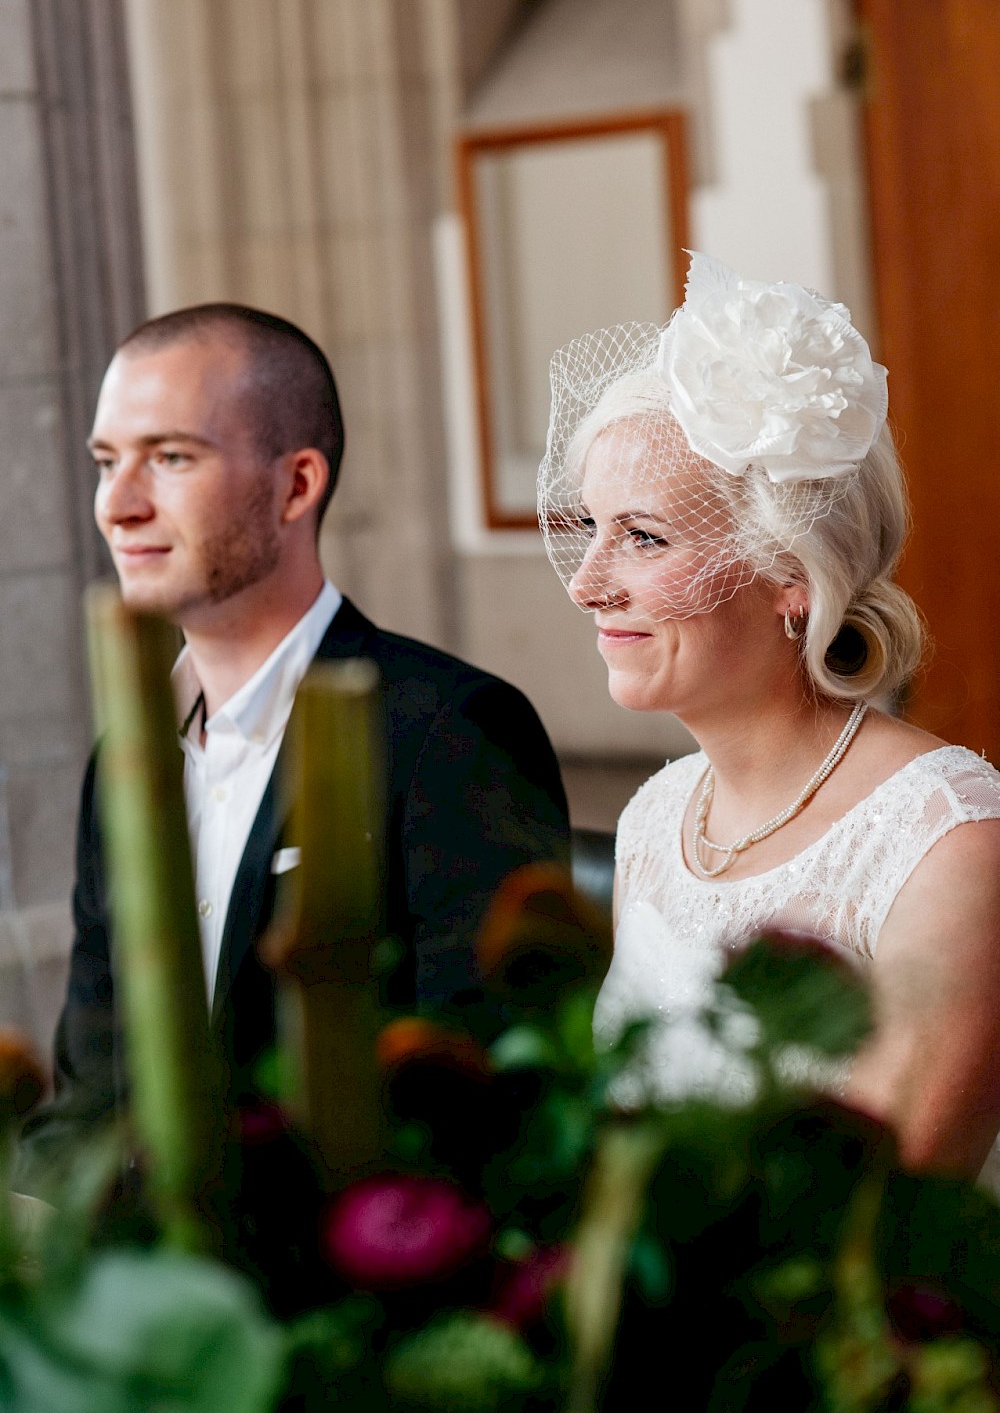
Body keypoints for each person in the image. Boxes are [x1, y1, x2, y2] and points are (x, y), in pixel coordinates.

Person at [19, 303, 570, 1197]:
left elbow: (492, 1109)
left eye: (170, 457)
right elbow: (88, 1099)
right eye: (106, 461)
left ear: (295, 484)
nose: (118, 505)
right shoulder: (126, 759)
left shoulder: (450, 732)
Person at [537, 252, 1000, 1180]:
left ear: (793, 571)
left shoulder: (948, 841)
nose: (588, 585)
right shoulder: (657, 819)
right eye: (590, 529)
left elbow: (894, 1210)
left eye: (643, 536)